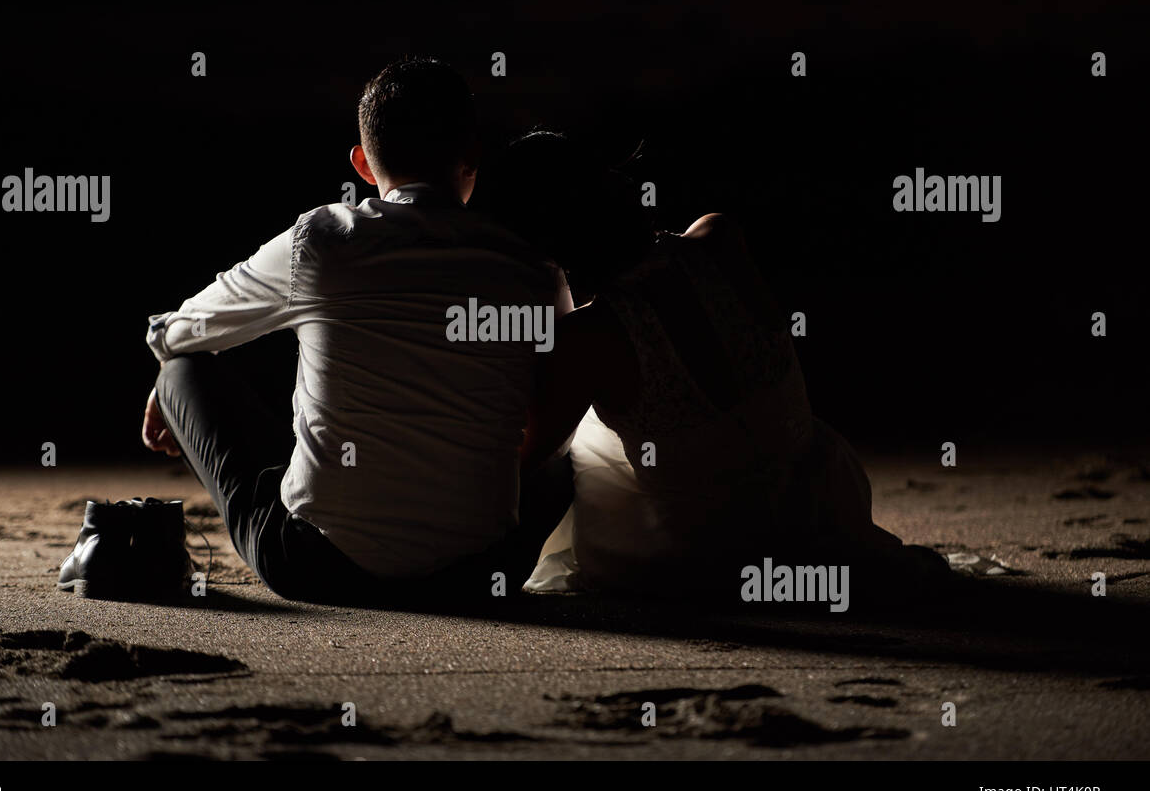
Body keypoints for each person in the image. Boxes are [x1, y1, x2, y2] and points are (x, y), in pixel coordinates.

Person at [134, 59, 572, 604]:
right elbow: (553, 412)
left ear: (363, 164)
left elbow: (181, 330)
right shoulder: (534, 269)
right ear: (473, 155)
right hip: (478, 576)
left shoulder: (322, 240)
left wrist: (166, 376)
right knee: (563, 464)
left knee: (182, 368)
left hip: (316, 568)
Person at [501, 131, 949, 600]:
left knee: (580, 443)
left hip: (698, 551)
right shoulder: (719, 237)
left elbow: (525, 457)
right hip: (823, 505)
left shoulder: (590, 336)